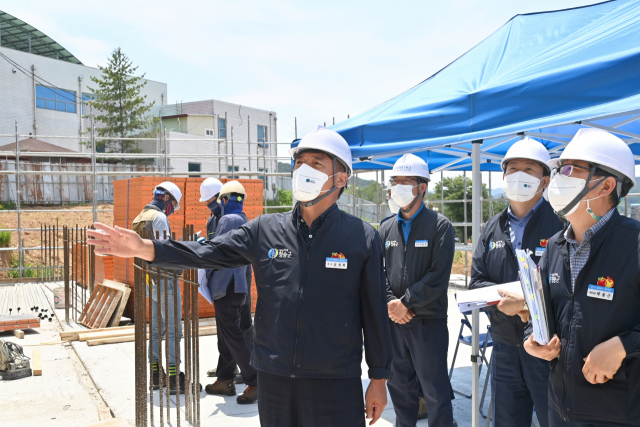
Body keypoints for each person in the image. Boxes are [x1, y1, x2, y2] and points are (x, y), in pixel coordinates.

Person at [88, 125, 393, 427]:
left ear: (340, 178)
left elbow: (375, 315)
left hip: (334, 381)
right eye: (299, 162)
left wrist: (378, 378)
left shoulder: (362, 238)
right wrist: (148, 248)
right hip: (275, 379)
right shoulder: (265, 230)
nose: (304, 170)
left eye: (316, 163)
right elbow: (207, 251)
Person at [523, 128, 639, 427]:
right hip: (560, 408)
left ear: (606, 185)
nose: (558, 176)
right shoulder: (554, 247)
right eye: (559, 168)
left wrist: (623, 346)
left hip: (619, 414)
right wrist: (533, 340)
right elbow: (541, 316)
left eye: (570, 169)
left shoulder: (634, 243)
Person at [469, 137, 563, 427]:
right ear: (503, 176)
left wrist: (530, 305)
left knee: (554, 420)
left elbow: (568, 287)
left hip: (547, 350)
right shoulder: (492, 227)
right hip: (505, 346)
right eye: (513, 169)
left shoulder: (561, 225)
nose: (519, 175)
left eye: (529, 169)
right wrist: (504, 305)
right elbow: (476, 283)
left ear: (545, 181)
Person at [379, 153, 456, 427]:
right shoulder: (386, 227)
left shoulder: (440, 226)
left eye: (405, 181)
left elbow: (438, 276)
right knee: (399, 387)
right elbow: (379, 272)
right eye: (395, 180)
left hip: (427, 322)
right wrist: (392, 303)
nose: (398, 186)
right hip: (394, 322)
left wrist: (407, 303)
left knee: (434, 389)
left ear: (422, 186)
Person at [131, 181, 200, 395]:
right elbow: (164, 252)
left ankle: (154, 375)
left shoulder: (140, 217)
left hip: (148, 280)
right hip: (163, 280)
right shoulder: (159, 218)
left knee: (156, 329)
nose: (171, 210)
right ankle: (173, 378)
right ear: (167, 199)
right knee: (173, 330)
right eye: (173, 204)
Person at [200, 180, 259, 403]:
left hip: (227, 286)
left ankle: (254, 380)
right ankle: (224, 379)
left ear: (224, 200)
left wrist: (200, 260)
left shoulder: (227, 220)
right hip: (236, 286)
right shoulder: (243, 219)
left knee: (233, 335)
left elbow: (216, 253)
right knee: (228, 335)